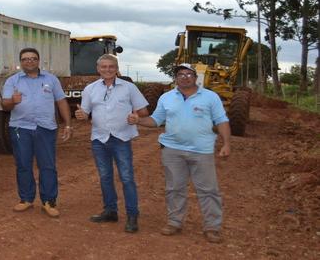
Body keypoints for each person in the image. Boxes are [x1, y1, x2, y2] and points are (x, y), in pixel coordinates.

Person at [128, 63, 230, 243]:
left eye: (189, 74)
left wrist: (226, 143)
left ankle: (212, 227)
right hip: (172, 150)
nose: (185, 77)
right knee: (174, 188)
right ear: (176, 78)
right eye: (181, 74)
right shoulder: (166, 97)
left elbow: (221, 120)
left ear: (195, 77)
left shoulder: (210, 97)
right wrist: (139, 120)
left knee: (208, 190)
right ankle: (174, 222)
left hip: (202, 151)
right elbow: (156, 120)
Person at [75, 54, 148, 232]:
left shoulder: (129, 88)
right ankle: (110, 211)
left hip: (121, 138)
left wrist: (136, 117)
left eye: (111, 67)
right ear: (98, 69)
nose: (107, 70)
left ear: (116, 68)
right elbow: (85, 113)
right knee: (105, 177)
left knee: (127, 177)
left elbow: (144, 111)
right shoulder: (90, 89)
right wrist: (82, 116)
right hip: (99, 139)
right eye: (104, 67)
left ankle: (132, 215)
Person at [2, 48, 73, 218]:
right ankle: (26, 199)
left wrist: (68, 125)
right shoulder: (12, 81)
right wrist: (12, 101)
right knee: (23, 164)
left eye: (33, 59)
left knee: (47, 166)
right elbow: (5, 105)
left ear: (38, 61)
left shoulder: (51, 79)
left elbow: (61, 102)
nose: (30, 61)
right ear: (21, 62)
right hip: (21, 128)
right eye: (25, 59)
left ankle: (49, 201)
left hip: (46, 128)